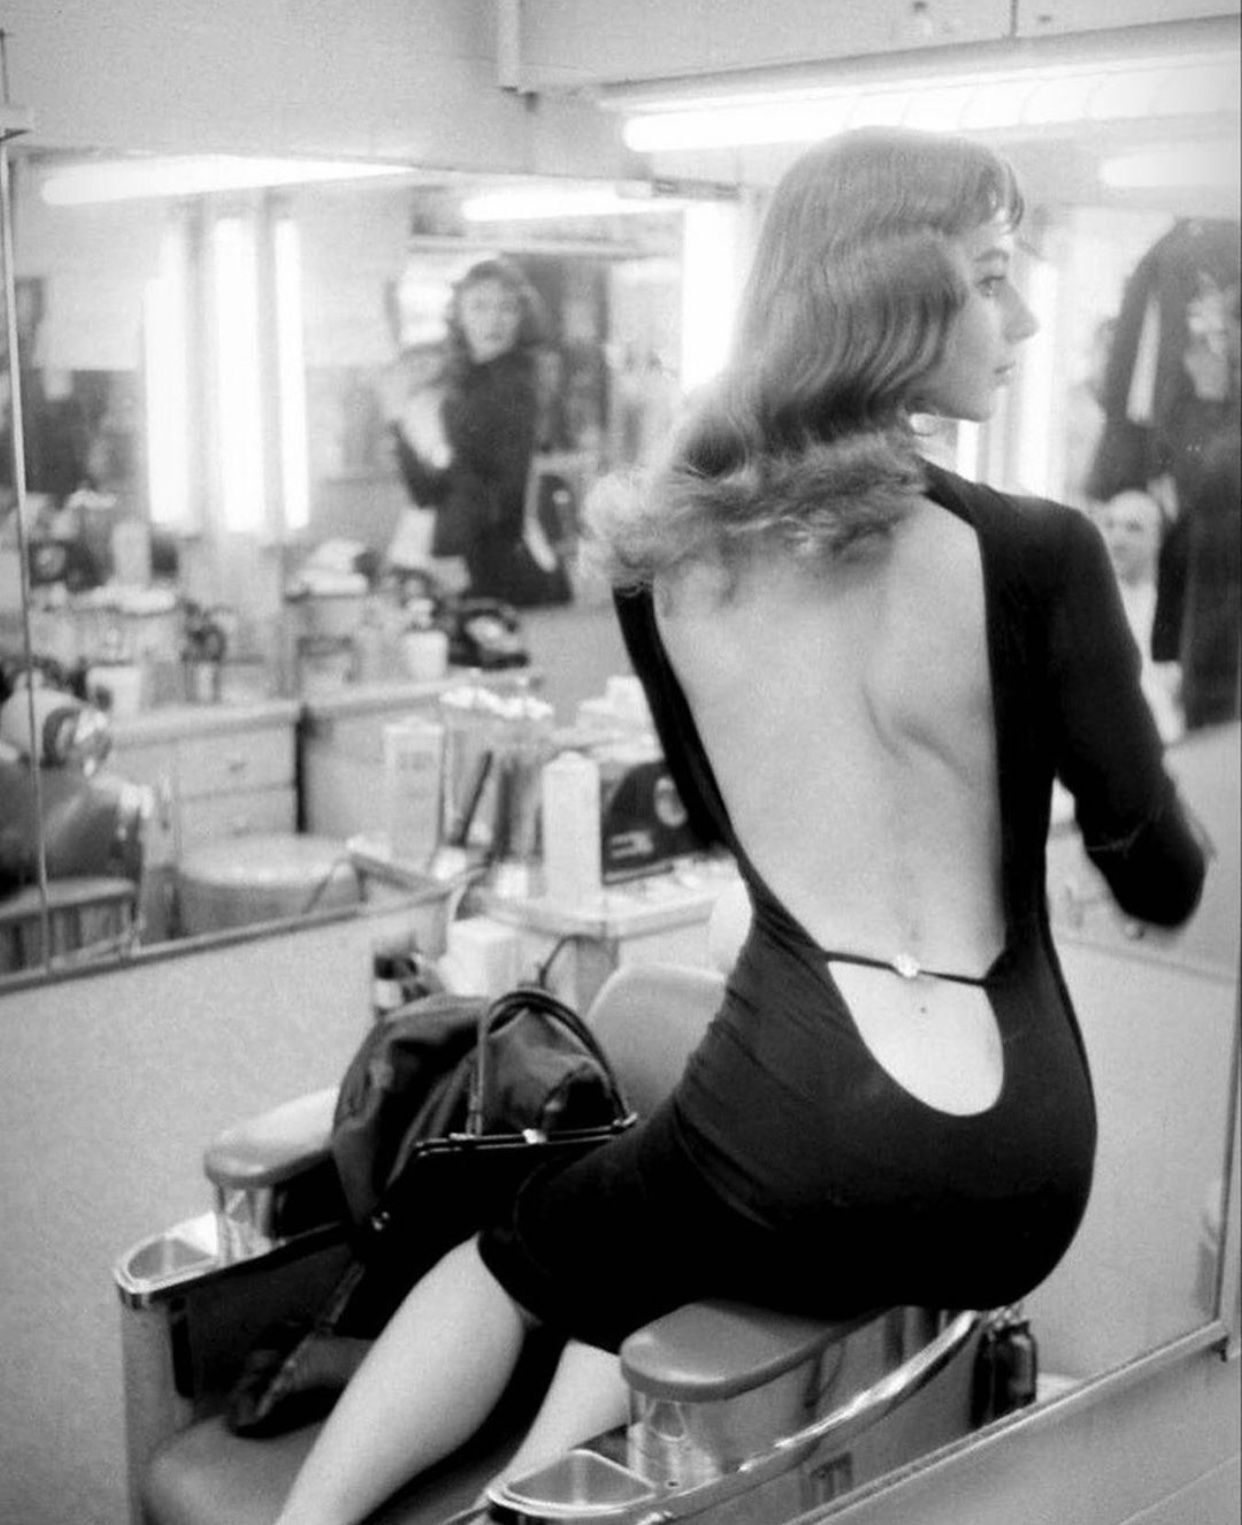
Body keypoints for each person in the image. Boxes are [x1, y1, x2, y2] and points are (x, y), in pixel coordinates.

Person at [275, 128, 1207, 1525]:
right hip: (1017, 1163)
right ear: (888, 295)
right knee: (660, 1236)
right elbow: (1161, 871)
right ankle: (522, 1497)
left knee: (519, 1254)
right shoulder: (1040, 553)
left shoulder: (660, 565)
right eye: (990, 279)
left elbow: (738, 831)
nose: (1020, 320)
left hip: (796, 1125)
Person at [383, 256, 571, 607]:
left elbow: (499, 497)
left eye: (507, 308)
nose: (493, 320)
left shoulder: (513, 387)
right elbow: (428, 492)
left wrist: (454, 559)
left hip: (493, 570)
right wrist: (399, 422)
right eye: (479, 306)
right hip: (466, 564)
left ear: (522, 318)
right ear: (459, 315)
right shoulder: (462, 388)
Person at [1101, 488, 1183, 742]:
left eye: (1133, 528)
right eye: (1110, 525)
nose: (1117, 539)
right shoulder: (1090, 603)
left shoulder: (1177, 609)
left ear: (1157, 538)